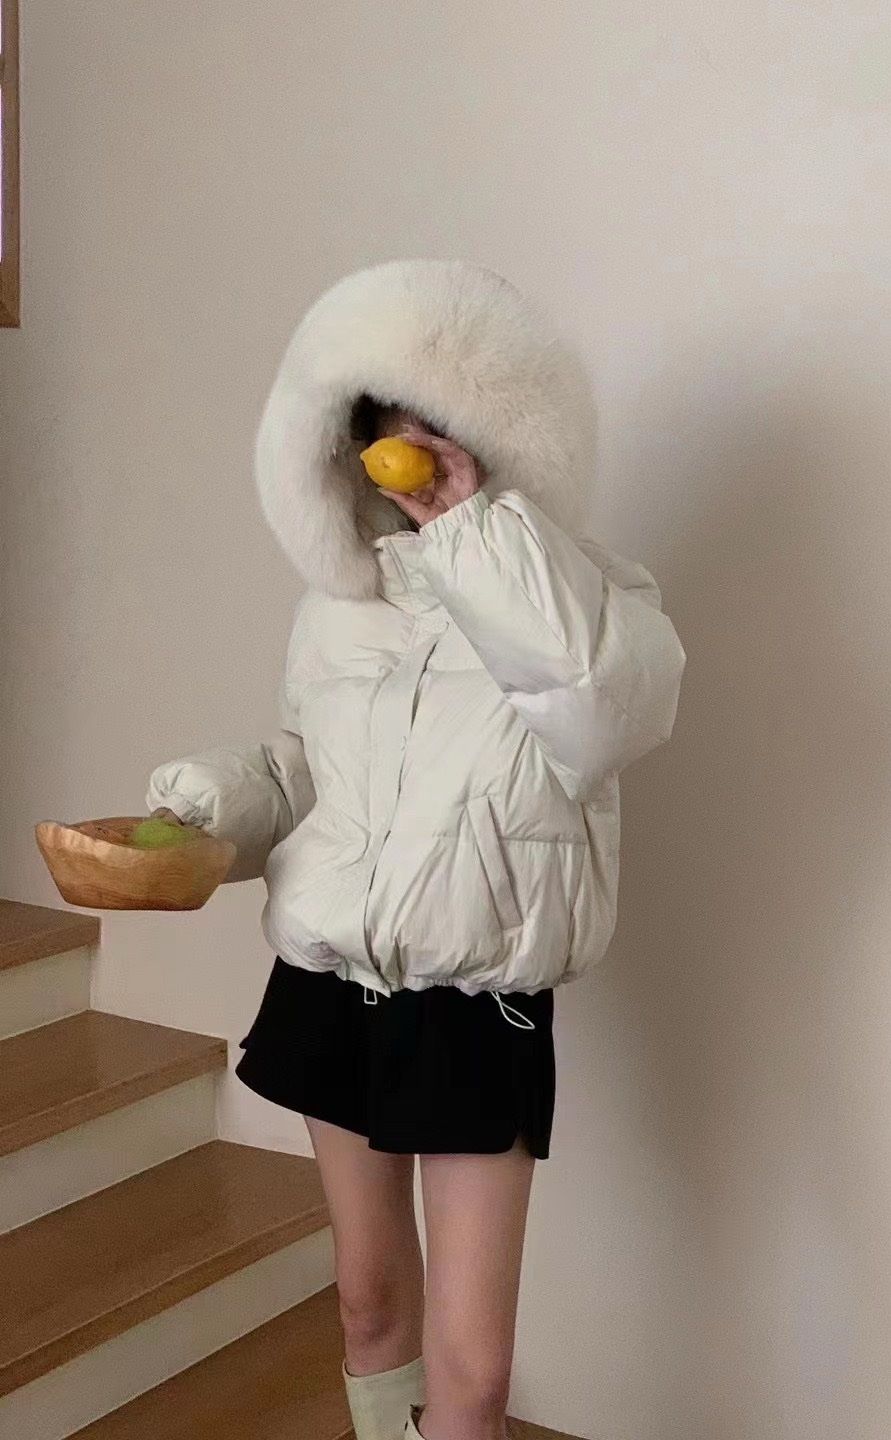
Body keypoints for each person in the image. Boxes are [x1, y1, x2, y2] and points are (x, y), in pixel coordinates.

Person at [147, 260, 685, 1440]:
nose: (410, 455)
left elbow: (603, 714)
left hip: (475, 1005)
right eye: (386, 430)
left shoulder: (593, 598)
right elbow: (313, 771)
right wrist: (215, 804)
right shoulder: (341, 606)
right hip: (330, 978)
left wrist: (475, 531)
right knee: (367, 1302)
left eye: (437, 427)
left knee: (474, 1375)